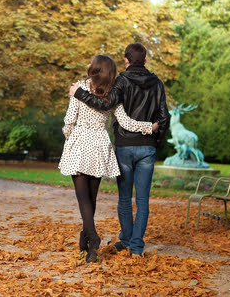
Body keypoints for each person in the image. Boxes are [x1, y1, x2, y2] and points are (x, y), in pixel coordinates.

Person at [69, 43, 170, 257]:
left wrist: (78, 95)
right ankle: (135, 248)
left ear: (126, 60)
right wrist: (153, 137)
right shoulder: (156, 84)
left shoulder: (118, 83)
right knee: (142, 199)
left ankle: (113, 238)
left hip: (119, 146)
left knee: (122, 198)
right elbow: (160, 117)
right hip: (137, 148)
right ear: (145, 60)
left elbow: (90, 111)